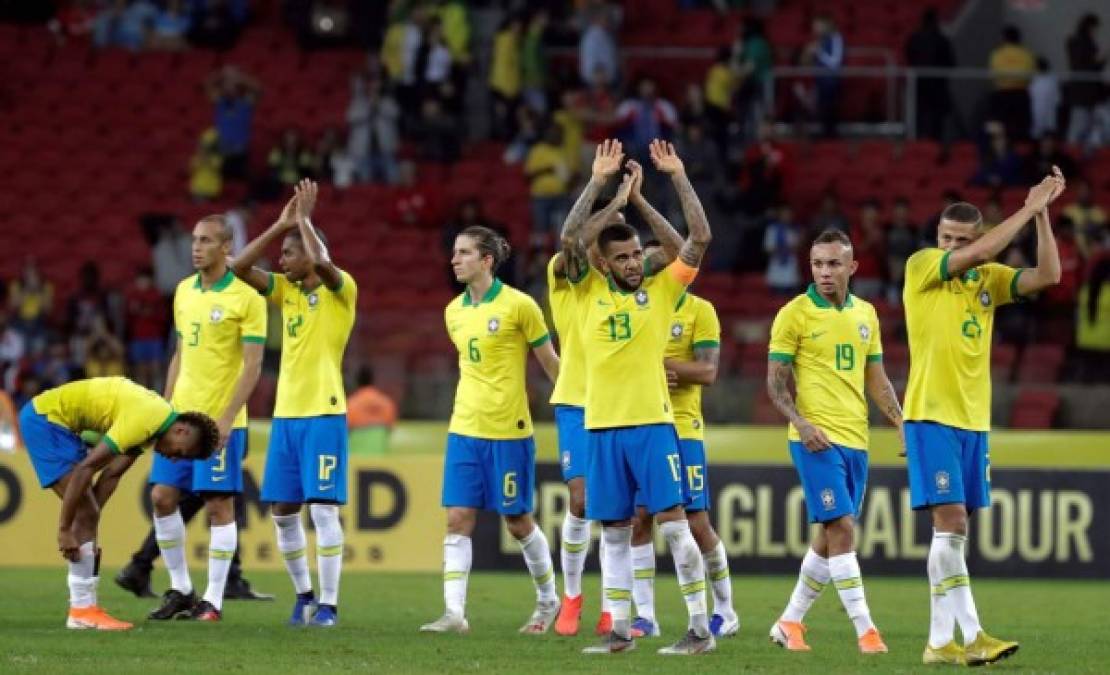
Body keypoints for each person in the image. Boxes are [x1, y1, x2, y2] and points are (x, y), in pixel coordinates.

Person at [902, 168, 1065, 665]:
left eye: (961, 239)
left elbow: (1049, 276)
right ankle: (972, 637)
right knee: (951, 523)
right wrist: (1026, 207)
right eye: (946, 238)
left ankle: (937, 643)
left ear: (977, 237)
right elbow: (975, 255)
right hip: (931, 413)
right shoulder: (923, 265)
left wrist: (1042, 217)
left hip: (974, 421)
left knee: (951, 534)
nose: (952, 246)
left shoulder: (988, 280)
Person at [565, 140, 715, 655]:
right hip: (601, 428)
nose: (633, 263)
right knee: (612, 533)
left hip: (654, 425)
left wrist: (670, 181)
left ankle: (699, 629)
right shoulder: (586, 292)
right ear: (603, 264)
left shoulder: (662, 293)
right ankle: (621, 631)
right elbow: (571, 238)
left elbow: (696, 239)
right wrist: (600, 184)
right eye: (622, 257)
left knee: (675, 527)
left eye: (636, 255)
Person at [765, 228, 902, 655]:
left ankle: (790, 621)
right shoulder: (794, 313)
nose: (825, 272)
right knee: (841, 528)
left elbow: (875, 377)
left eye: (833, 264)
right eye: (818, 265)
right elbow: (774, 382)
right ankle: (867, 631)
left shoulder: (866, 314)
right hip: (814, 439)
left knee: (828, 537)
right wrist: (801, 423)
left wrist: (900, 423)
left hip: (856, 440)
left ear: (852, 267)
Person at [419, 226, 561, 635]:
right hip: (464, 427)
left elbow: (551, 363)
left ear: (486, 261)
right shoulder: (453, 311)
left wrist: (576, 408)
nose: (454, 259)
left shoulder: (521, 306)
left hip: (509, 430)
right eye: (454, 252)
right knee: (458, 518)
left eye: (463, 253)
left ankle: (548, 600)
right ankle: (454, 614)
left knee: (517, 521)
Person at [230, 179, 357, 628]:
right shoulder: (285, 291)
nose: (281, 261)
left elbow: (323, 262)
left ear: (310, 250)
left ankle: (329, 604)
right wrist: (281, 223)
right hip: (286, 416)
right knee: (283, 510)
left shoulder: (342, 290)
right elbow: (238, 269)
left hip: (323, 413)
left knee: (323, 509)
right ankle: (304, 596)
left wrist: (304, 220)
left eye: (289, 252)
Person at [140, 214, 266, 623]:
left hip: (218, 422)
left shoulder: (246, 298)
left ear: (227, 248)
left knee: (218, 507)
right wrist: (164, 406)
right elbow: (180, 352)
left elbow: (252, 366)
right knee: (161, 497)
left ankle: (212, 600)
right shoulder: (183, 292)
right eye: (194, 239)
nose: (196, 247)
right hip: (179, 420)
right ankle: (180, 588)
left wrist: (228, 417)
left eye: (206, 241)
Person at [18, 376, 218, 630]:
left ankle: (84, 610)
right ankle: (81, 611)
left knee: (88, 512)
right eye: (181, 452)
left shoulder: (153, 425)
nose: (174, 459)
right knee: (85, 510)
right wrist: (66, 530)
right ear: (181, 431)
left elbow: (111, 475)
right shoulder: (146, 418)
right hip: (46, 421)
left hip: (58, 425)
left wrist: (87, 533)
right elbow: (86, 469)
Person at [628, 241, 738, 640]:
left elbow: (708, 372)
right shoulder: (637, 309)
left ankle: (725, 609)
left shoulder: (699, 311)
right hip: (642, 423)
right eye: (646, 261)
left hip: (683, 428)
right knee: (639, 518)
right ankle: (645, 616)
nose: (648, 265)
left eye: (656, 261)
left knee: (695, 522)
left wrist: (663, 367)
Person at [905, 8, 956, 140]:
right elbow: (951, 63)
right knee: (935, 117)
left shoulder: (914, 38)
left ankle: (917, 141)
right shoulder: (942, 40)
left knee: (920, 115)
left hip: (919, 85)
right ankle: (934, 141)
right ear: (935, 22)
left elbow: (909, 59)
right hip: (936, 87)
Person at [1065, 13, 1107, 148]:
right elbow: (1084, 67)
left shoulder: (1076, 42)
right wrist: (1101, 60)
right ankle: (1073, 151)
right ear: (1090, 27)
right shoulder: (1081, 43)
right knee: (1079, 125)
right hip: (1083, 92)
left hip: (1088, 92)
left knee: (1087, 125)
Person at [988, 25, 1035, 140]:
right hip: (1020, 94)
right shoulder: (1026, 54)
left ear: (1004, 38)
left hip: (1002, 94)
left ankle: (996, 146)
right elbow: (1031, 76)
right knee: (1021, 127)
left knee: (997, 125)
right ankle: (1020, 149)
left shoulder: (997, 54)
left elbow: (994, 74)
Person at [346, 365, 397, 430]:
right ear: (372, 379)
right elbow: (390, 426)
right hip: (380, 439)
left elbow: (347, 428)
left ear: (357, 381)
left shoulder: (351, 404)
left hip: (357, 439)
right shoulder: (386, 403)